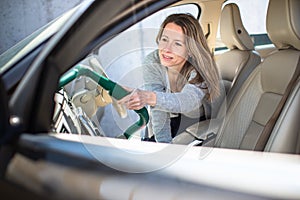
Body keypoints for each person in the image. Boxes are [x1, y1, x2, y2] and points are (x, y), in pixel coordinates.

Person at [118, 13, 222, 143]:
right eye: (164, 39)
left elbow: (187, 102)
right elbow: (158, 110)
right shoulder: (153, 61)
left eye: (177, 44)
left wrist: (148, 97)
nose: (166, 49)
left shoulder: (201, 68)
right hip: (168, 118)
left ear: (190, 50)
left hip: (198, 121)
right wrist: (163, 144)